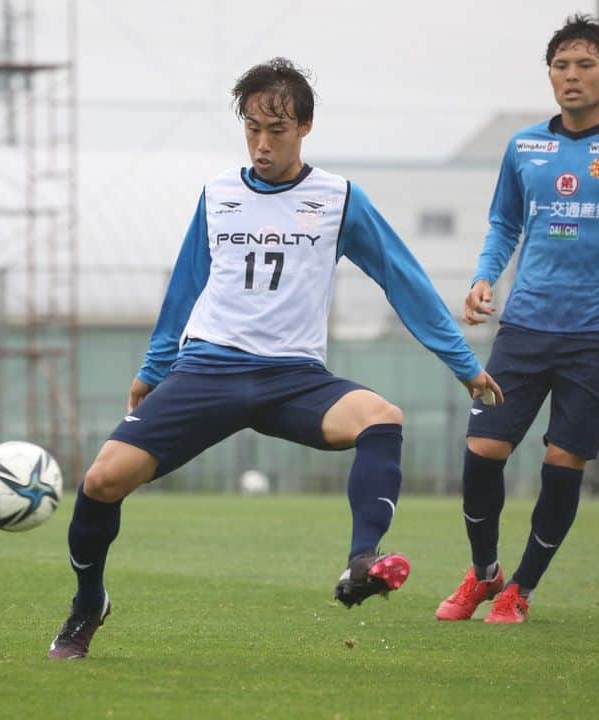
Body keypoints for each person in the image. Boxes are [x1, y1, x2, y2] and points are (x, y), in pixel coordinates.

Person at [47, 58, 503, 660]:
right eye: (252, 129)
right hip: (208, 370)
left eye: (277, 130)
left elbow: (403, 280)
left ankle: (362, 561)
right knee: (102, 481)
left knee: (382, 417)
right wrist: (153, 370)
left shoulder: (338, 199)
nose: (262, 144)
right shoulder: (218, 196)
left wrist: (462, 362)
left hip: (293, 378)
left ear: (305, 127)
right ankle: (87, 605)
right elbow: (184, 288)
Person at [436, 14, 599, 624]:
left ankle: (520, 591)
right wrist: (484, 275)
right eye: (561, 66)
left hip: (597, 335)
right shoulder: (525, 146)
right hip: (525, 327)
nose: (572, 76)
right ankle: (484, 575)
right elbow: (504, 223)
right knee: (482, 451)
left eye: (585, 65)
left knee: (563, 462)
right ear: (550, 76)